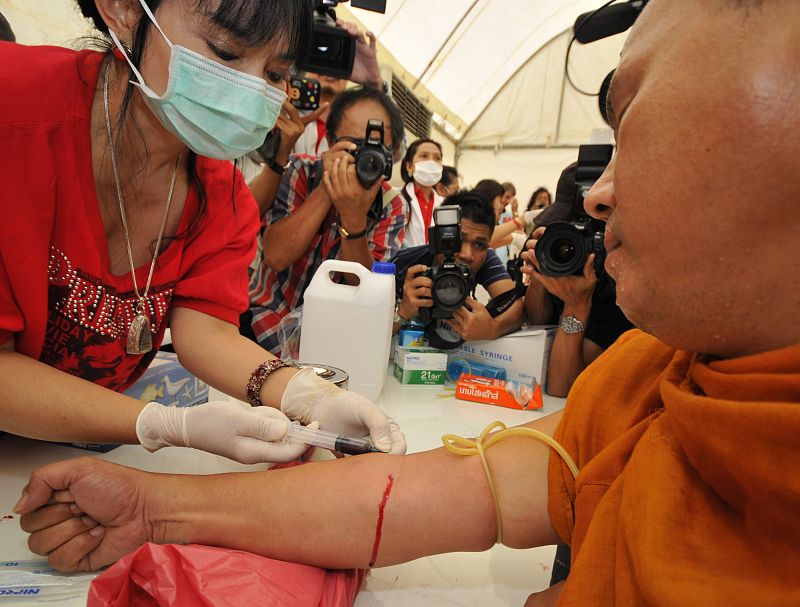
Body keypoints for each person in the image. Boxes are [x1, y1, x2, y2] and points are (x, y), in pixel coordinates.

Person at [16, 3, 800, 607]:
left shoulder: (214, 185)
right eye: (225, 52)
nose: (593, 197)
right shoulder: (647, 379)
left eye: (630, 121)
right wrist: (156, 487)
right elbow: (448, 490)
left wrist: (287, 392)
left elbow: (201, 325)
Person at [0, 0, 405, 466]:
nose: (250, 88)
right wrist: (162, 424)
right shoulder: (13, 109)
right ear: (123, 9)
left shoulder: (221, 193)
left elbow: (206, 331)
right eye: (226, 52)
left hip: (47, 460)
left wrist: (305, 395)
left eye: (275, 74)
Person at [245, 86, 407, 356]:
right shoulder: (300, 171)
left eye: (376, 148)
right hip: (262, 326)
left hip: (332, 340)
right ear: (331, 141)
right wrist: (326, 190)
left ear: (391, 155)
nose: (365, 157)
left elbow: (365, 293)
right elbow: (276, 256)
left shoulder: (391, 204)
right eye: (354, 145)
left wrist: (353, 220)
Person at [247, 20, 385, 217]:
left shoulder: (361, 126)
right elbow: (250, 154)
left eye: (337, 56)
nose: (328, 68)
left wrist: (374, 85)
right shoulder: (277, 108)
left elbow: (395, 151)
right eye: (319, 53)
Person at [523, 163, 633, 398]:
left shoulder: (615, 288)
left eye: (584, 236)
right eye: (565, 228)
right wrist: (540, 271)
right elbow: (536, 321)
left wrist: (577, 305)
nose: (568, 249)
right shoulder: (549, 259)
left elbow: (563, 387)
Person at [391, 191, 525, 342]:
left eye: (480, 244)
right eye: (458, 240)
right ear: (437, 238)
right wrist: (402, 311)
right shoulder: (404, 264)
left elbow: (517, 308)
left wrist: (493, 328)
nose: (467, 254)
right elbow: (370, 332)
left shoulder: (485, 258)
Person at [399, 138, 445, 247]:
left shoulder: (445, 204)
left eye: (437, 158)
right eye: (424, 156)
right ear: (409, 166)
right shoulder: (396, 199)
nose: (431, 162)